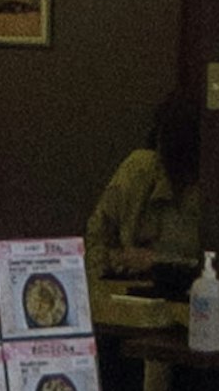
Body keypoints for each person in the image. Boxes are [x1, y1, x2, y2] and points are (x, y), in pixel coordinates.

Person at [86, 83, 208, 327]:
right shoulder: (138, 171)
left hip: (191, 310)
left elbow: (213, 265)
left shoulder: (213, 191)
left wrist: (159, 262)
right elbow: (95, 238)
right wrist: (115, 259)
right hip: (130, 306)